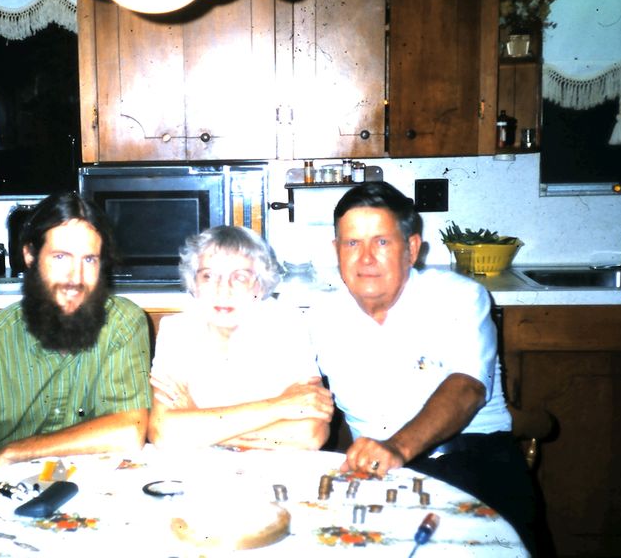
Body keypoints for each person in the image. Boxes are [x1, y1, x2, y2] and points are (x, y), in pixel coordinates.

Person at [311, 181, 548, 556]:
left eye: (382, 242)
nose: (366, 258)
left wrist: (397, 447)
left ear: (412, 249)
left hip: (471, 462)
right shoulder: (322, 316)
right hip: (377, 476)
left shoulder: (457, 296)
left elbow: (467, 387)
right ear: (336, 251)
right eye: (352, 243)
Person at [0, 192, 152, 487]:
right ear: (30, 255)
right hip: (3, 499)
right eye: (60, 257)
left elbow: (129, 432)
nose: (76, 278)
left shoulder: (123, 323)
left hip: (96, 493)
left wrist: (16, 451)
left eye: (89, 259)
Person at [147, 225, 334, 450]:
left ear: (260, 286)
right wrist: (279, 406)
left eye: (240, 277)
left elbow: (311, 433)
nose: (223, 290)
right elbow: (163, 433)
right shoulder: (177, 331)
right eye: (208, 276)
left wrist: (198, 422)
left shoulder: (288, 326)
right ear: (194, 284)